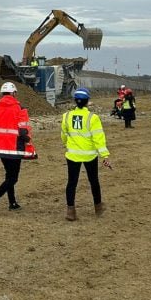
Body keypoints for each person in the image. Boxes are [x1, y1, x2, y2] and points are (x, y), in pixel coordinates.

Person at [0, 81, 37, 214]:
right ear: (13, 93)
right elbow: (24, 131)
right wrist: (28, 142)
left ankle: (12, 203)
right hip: (14, 148)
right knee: (13, 178)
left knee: (9, 175)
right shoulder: (20, 108)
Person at [61, 87, 111, 221]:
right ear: (87, 101)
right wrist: (104, 155)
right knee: (94, 181)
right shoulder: (92, 118)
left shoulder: (66, 116)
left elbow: (64, 135)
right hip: (90, 156)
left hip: (72, 155)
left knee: (71, 182)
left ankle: (70, 211)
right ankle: (98, 208)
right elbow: (98, 138)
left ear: (75, 101)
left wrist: (67, 144)